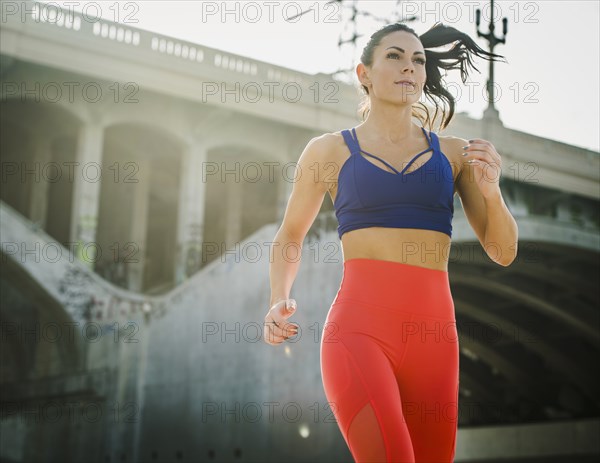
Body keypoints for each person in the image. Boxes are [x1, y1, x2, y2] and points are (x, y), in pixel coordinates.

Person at [263, 21, 519, 463]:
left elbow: (503, 251)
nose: (410, 68)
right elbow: (290, 234)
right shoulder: (329, 151)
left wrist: (493, 193)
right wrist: (277, 297)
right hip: (357, 333)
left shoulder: (456, 155)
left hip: (436, 339)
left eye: (418, 60)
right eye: (395, 57)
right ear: (364, 73)